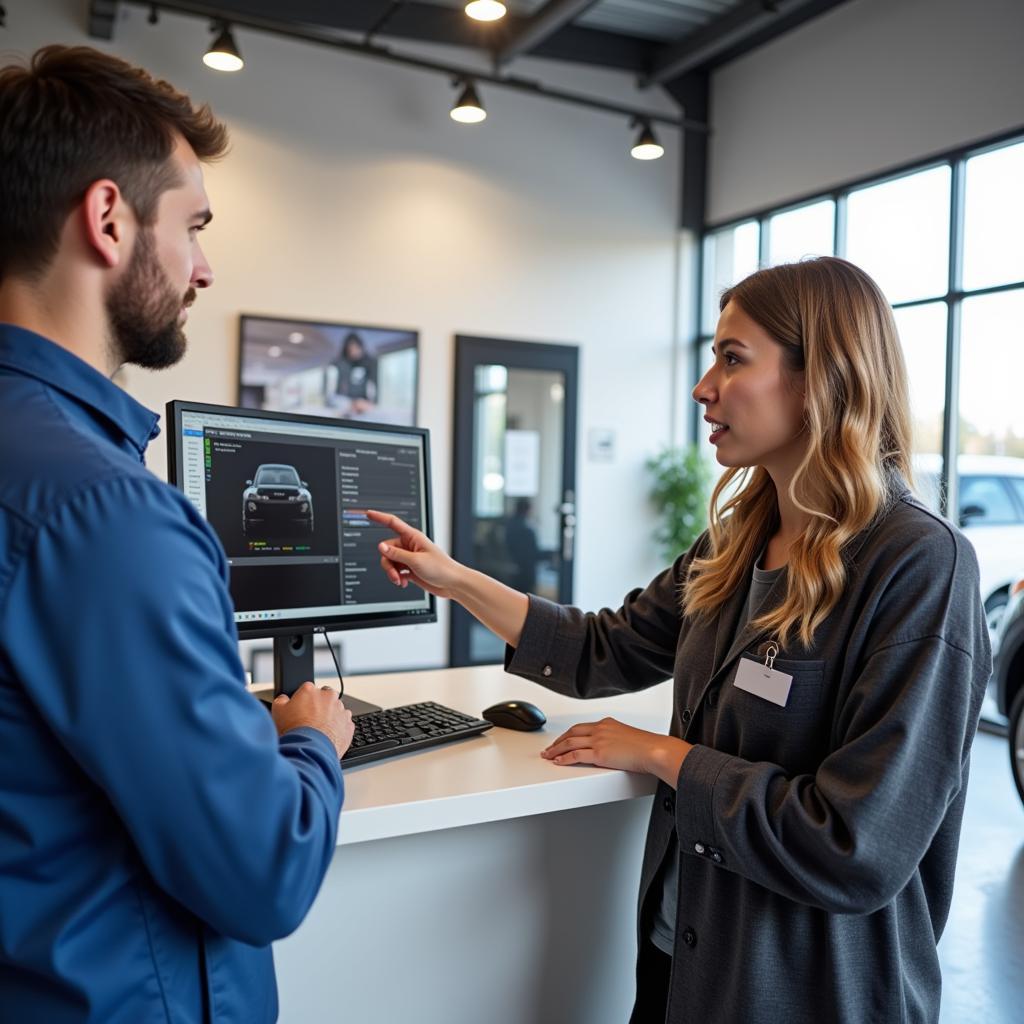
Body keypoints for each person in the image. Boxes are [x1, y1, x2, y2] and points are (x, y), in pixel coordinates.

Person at [368, 257, 990, 1024]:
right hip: (682, 962)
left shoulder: (919, 564)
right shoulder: (735, 542)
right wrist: (453, 577)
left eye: (733, 359)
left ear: (821, 376)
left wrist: (662, 754)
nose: (704, 387)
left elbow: (857, 844)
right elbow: (605, 649)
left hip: (802, 991)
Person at [0, 46, 354, 1022]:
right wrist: (311, 743)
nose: (205, 269)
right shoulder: (102, 511)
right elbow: (262, 872)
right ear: (108, 219)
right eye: (193, 227)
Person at [333, 330, 377, 414]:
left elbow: (373, 384)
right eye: (350, 349)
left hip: (363, 403)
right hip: (345, 402)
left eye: (356, 348)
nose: (353, 352)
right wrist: (349, 404)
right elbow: (337, 391)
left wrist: (368, 402)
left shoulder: (369, 362)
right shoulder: (342, 363)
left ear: (361, 347)